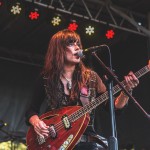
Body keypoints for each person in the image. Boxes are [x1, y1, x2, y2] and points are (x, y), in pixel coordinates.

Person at [25, 29, 139, 150]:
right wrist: (36, 122)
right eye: (71, 43)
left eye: (78, 44)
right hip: (55, 139)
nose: (77, 47)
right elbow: (31, 110)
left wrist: (127, 91)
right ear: (58, 49)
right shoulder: (47, 78)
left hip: (86, 139)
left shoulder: (91, 78)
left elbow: (113, 107)